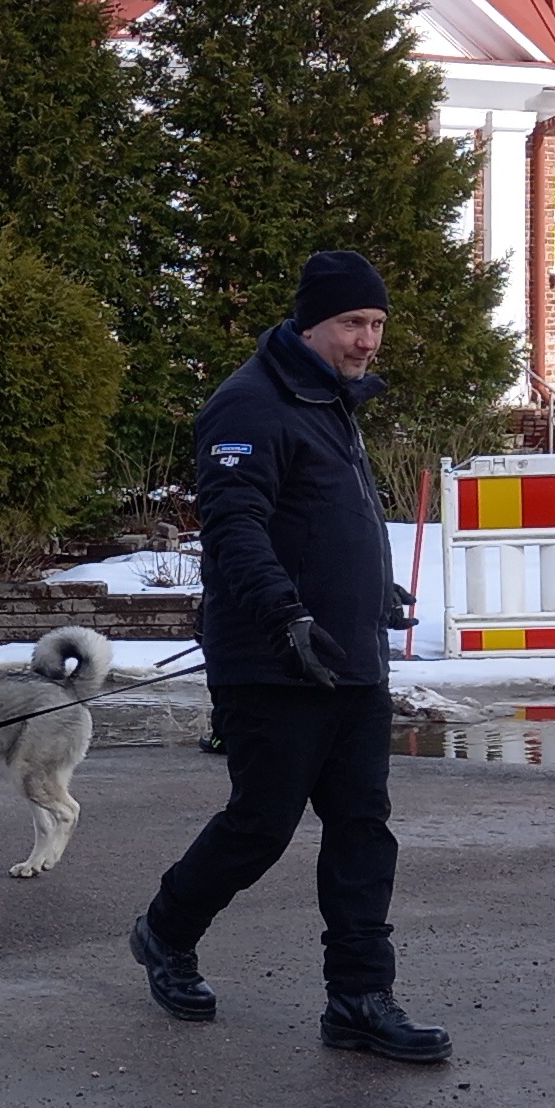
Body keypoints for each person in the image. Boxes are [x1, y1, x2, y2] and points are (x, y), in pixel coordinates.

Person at [126, 250, 451, 1063]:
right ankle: (166, 930)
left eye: (377, 324)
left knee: (361, 828)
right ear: (311, 323)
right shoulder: (248, 406)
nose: (368, 340)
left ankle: (360, 999)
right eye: (353, 323)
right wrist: (292, 616)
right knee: (261, 825)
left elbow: (322, 523)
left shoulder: (328, 399)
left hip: (349, 659)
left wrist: (369, 594)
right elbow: (233, 531)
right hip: (273, 660)